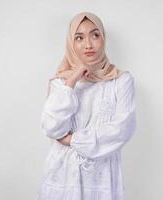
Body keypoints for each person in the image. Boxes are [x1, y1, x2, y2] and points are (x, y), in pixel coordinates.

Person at [36, 11, 136, 200]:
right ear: (71, 43)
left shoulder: (120, 81)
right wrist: (72, 80)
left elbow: (123, 128)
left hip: (102, 179)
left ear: (103, 38)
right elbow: (51, 127)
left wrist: (73, 140)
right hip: (62, 177)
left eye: (95, 35)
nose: (88, 44)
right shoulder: (60, 83)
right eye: (79, 37)